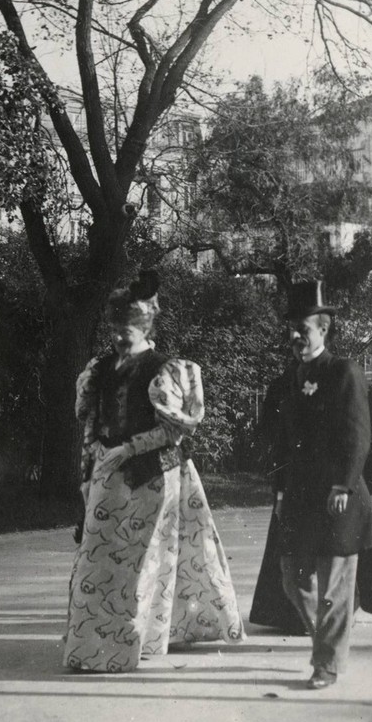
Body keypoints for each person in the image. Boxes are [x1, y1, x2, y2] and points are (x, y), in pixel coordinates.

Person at [62, 272, 244, 674]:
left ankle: (134, 642)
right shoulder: (100, 368)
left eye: (125, 330)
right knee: (97, 558)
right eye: (113, 329)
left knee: (142, 561)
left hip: (152, 474)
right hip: (108, 472)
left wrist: (127, 449)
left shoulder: (166, 370)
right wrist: (90, 465)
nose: (117, 337)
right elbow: (91, 421)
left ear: (145, 328)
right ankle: (93, 647)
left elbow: (174, 431)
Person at [267, 281, 372, 690]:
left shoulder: (343, 372)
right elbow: (283, 443)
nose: (295, 337)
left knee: (333, 584)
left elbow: (358, 435)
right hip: (300, 495)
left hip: (337, 496)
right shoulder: (291, 377)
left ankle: (327, 664)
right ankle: (332, 641)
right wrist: (280, 493)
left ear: (324, 330)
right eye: (291, 330)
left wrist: (343, 486)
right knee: (292, 578)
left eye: (304, 330)